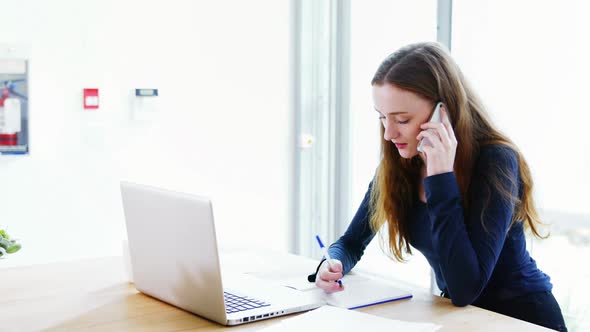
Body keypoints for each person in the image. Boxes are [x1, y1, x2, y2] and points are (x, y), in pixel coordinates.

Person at [309, 42, 567, 331]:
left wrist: (440, 176)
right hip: (462, 320)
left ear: (443, 112)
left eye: (402, 119)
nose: (389, 134)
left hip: (522, 318)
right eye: (382, 118)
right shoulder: (399, 166)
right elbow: (351, 243)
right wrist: (332, 263)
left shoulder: (496, 161)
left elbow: (465, 289)